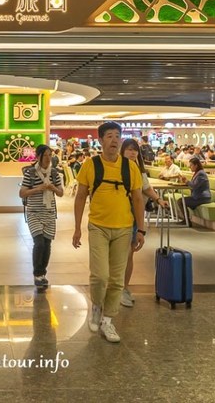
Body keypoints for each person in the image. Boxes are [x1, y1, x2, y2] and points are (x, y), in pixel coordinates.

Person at [72, 122, 144, 344]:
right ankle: (96, 306)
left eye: (117, 136)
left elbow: (138, 198)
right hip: (98, 226)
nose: (114, 140)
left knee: (116, 279)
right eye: (110, 136)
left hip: (124, 228)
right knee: (100, 275)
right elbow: (81, 196)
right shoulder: (90, 165)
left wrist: (141, 229)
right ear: (101, 140)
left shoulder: (130, 167)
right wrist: (77, 228)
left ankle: (108, 320)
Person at [119, 139, 167, 308]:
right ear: (122, 151)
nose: (132, 153)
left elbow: (146, 188)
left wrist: (158, 199)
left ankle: (124, 288)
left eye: (135, 150)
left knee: (129, 254)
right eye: (129, 149)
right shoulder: (117, 168)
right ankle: (116, 288)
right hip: (118, 216)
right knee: (119, 255)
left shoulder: (139, 171)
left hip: (133, 217)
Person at [19, 144, 64, 289]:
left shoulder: (54, 173)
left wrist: (53, 188)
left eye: (50, 155)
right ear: (38, 157)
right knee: (39, 243)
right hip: (34, 212)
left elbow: (61, 193)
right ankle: (37, 274)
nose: (48, 158)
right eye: (45, 155)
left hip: (49, 213)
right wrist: (38, 189)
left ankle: (42, 274)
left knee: (47, 244)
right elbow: (22, 193)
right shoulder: (30, 173)